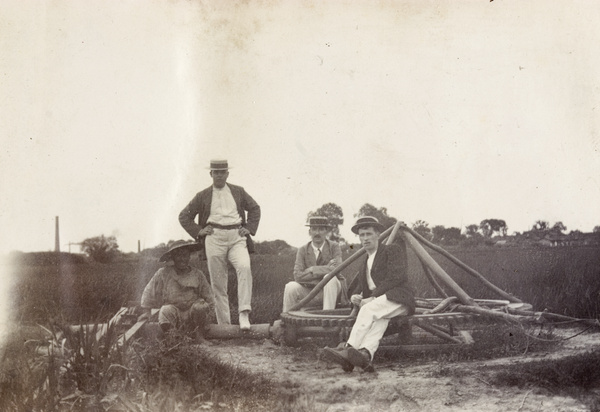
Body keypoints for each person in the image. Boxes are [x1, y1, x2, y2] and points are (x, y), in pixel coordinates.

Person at [323, 216, 415, 372]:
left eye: (368, 234)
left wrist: (373, 297)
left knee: (369, 310)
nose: (365, 238)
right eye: (362, 235)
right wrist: (356, 297)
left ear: (378, 234)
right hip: (383, 305)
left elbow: (396, 277)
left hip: (400, 299)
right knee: (380, 321)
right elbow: (365, 288)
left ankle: (348, 348)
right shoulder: (364, 261)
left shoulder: (391, 250)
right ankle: (365, 354)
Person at [179, 159, 261, 330]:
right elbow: (184, 216)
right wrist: (198, 231)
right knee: (218, 282)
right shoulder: (202, 195)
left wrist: (249, 228)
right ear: (211, 174)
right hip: (214, 237)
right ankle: (225, 326)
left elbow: (255, 208)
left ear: (227, 174)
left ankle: (244, 314)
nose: (219, 175)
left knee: (244, 267)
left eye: (222, 172)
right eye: (216, 172)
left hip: (237, 235)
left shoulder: (238, 191)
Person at [140, 240, 215, 342]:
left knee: (201, 306)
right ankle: (174, 338)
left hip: (192, 314)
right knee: (165, 310)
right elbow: (149, 292)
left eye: (185, 255)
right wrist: (146, 312)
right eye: (178, 256)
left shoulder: (198, 274)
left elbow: (209, 297)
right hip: (174, 313)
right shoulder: (163, 273)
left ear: (189, 256)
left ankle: (199, 337)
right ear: (173, 258)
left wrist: (208, 317)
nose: (182, 259)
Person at [282, 216, 344, 312]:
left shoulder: (334, 247)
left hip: (330, 291)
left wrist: (312, 270)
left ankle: (326, 319)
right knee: (290, 287)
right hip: (309, 291)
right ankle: (288, 321)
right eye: (314, 229)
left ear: (326, 231)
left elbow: (337, 269)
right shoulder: (302, 250)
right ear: (309, 232)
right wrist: (326, 268)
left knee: (329, 278)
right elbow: (297, 275)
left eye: (321, 229)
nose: (317, 233)